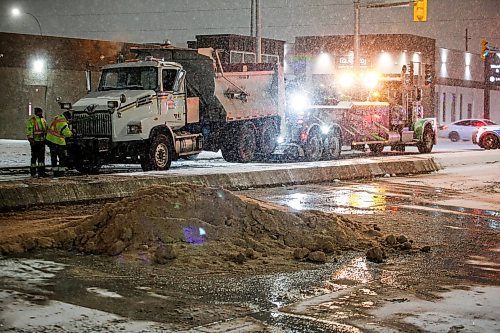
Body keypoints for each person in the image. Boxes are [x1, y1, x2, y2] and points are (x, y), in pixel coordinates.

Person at [46, 111, 74, 177]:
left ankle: (55, 171)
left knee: (54, 157)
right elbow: (67, 133)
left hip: (50, 140)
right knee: (62, 157)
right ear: (67, 117)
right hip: (58, 142)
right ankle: (61, 172)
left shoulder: (57, 119)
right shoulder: (63, 123)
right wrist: (72, 132)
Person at [25, 107, 48, 177]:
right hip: (35, 142)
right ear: (36, 112)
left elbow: (46, 129)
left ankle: (41, 172)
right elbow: (29, 130)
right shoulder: (32, 120)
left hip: (42, 141)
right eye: (40, 112)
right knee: (34, 157)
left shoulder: (43, 120)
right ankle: (33, 172)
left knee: (41, 158)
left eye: (41, 112)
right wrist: (31, 140)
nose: (41, 113)